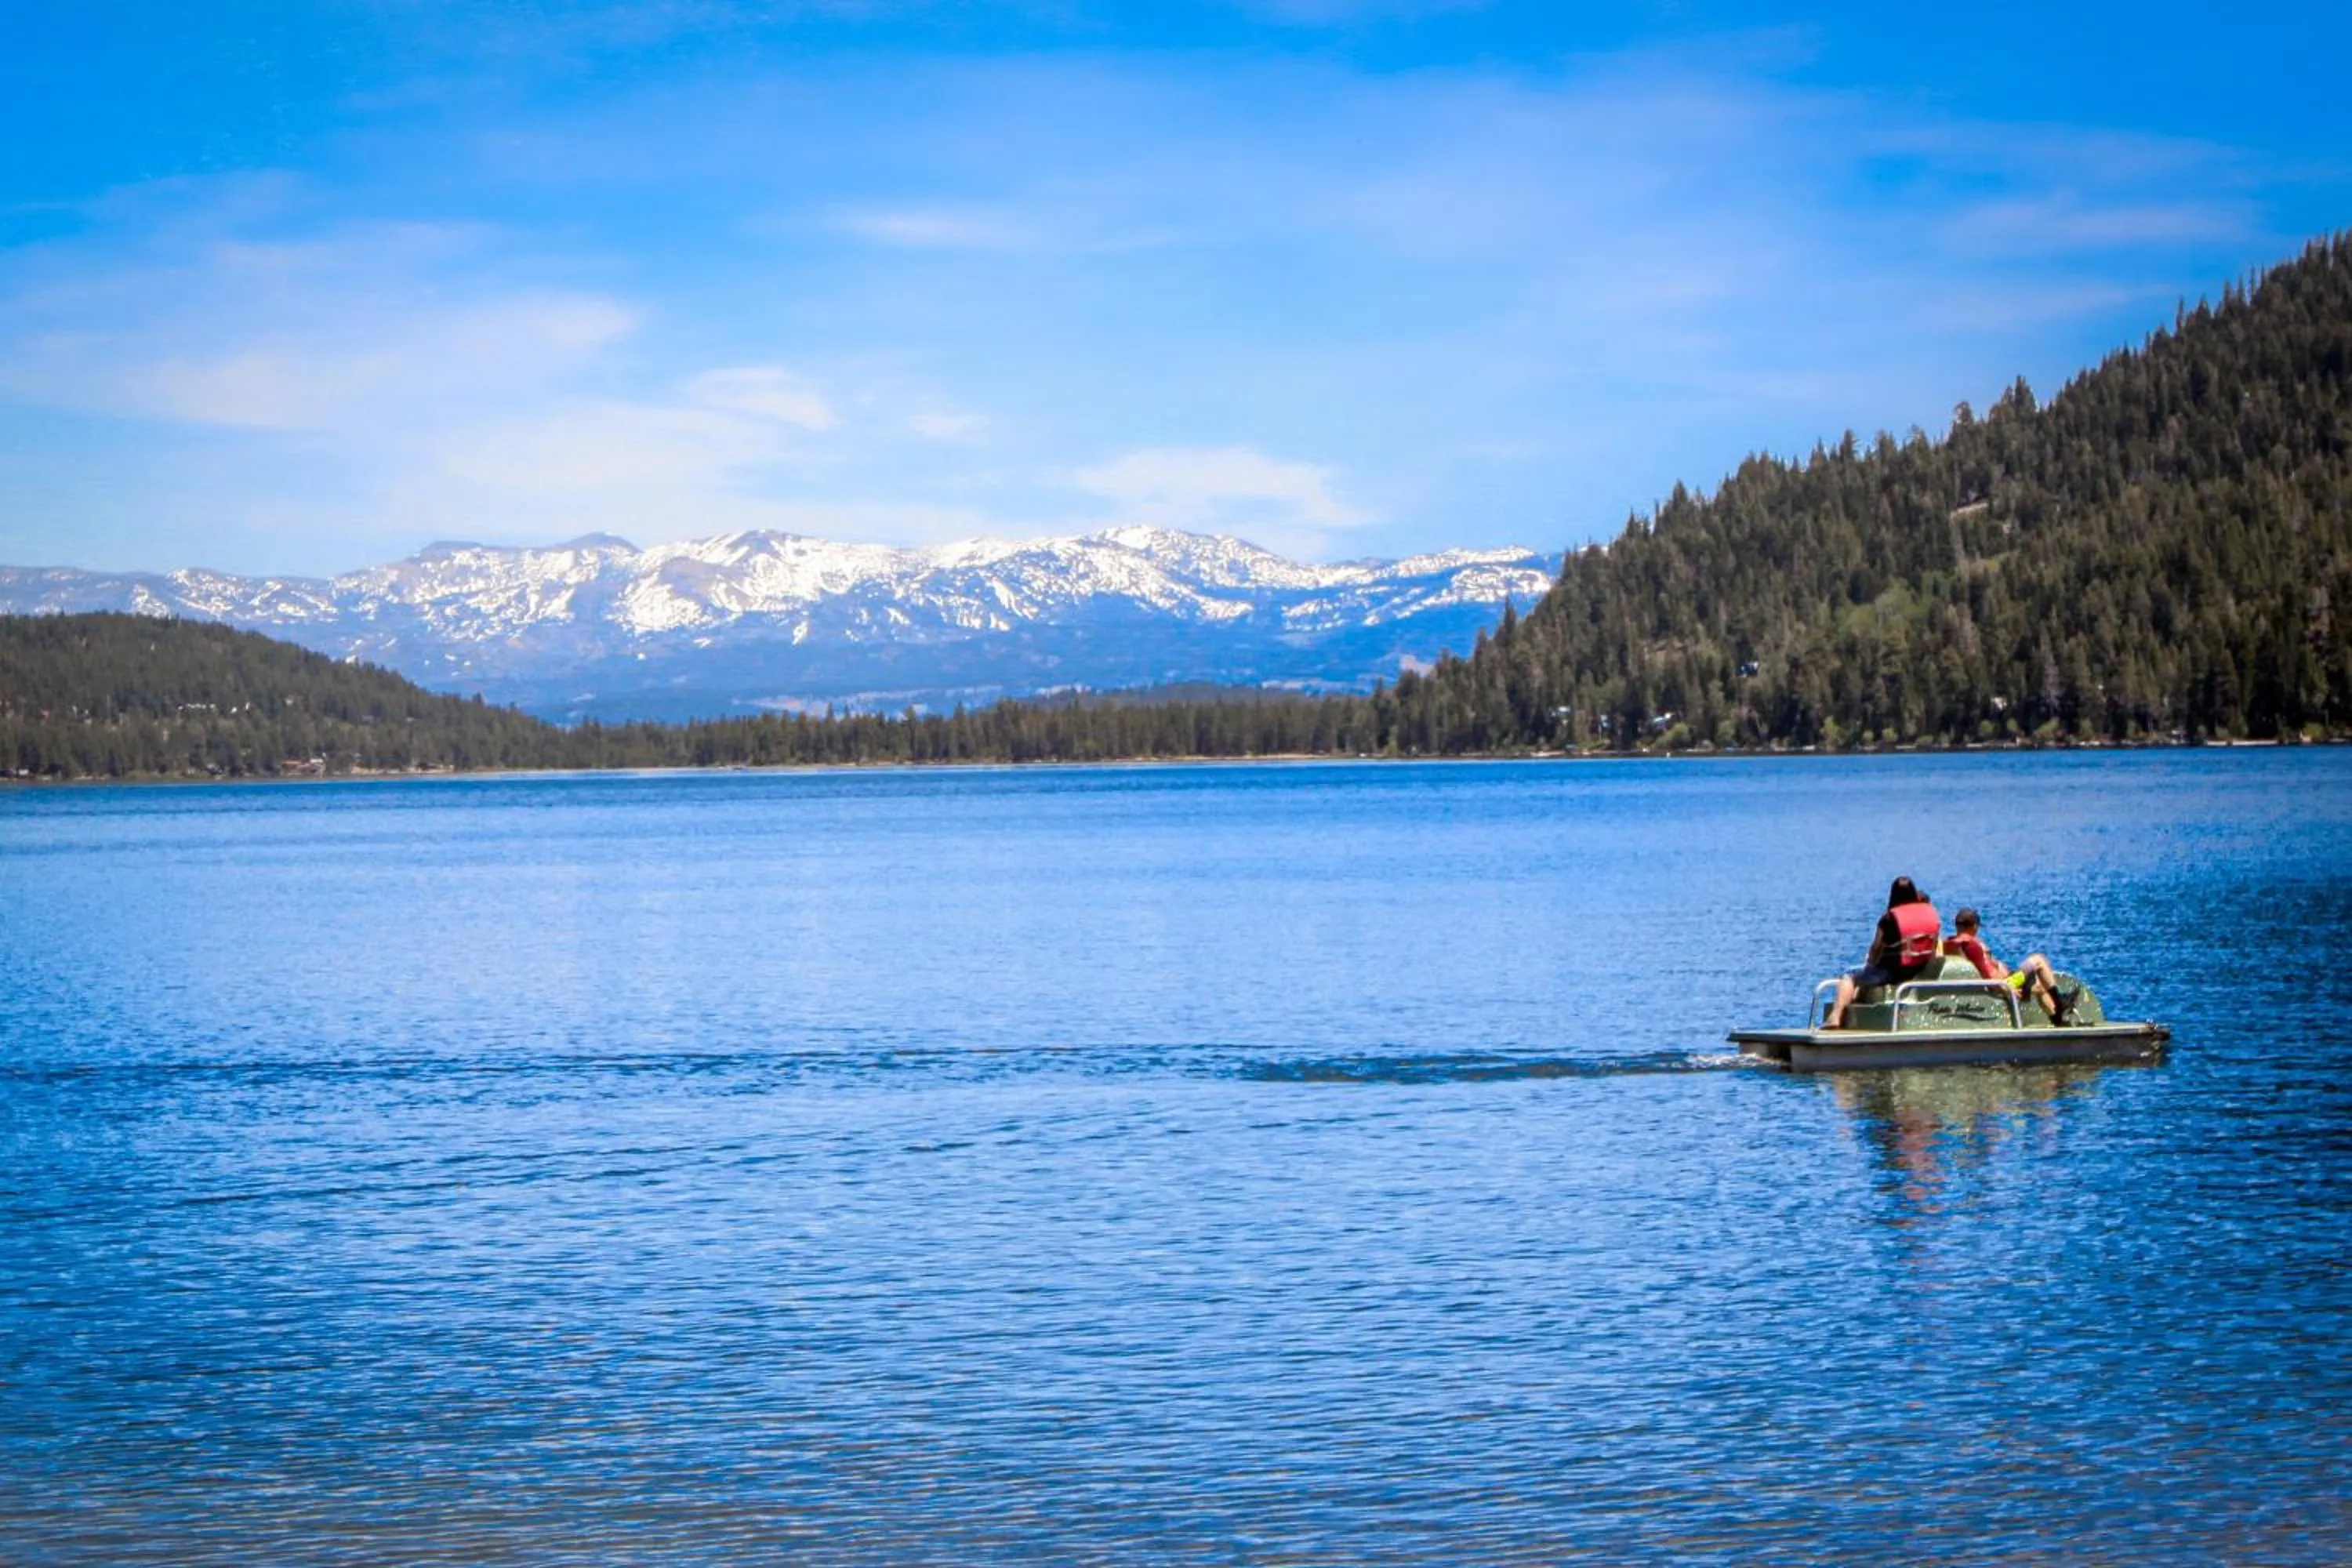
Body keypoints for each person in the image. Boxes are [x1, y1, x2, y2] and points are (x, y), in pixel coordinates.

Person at [1824, 877, 1942, 1029]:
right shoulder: (1930, 916)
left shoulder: (1888, 920)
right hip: (1920, 969)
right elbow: (1934, 947)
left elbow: (1875, 950)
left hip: (1892, 973)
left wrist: (1871, 962)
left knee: (1849, 975)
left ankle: (1836, 1016)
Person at [1944, 907, 2077, 1023]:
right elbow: (1988, 975)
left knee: (2039, 987)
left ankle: (2057, 1017)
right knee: (2038, 960)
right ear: (1975, 926)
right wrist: (2008, 990)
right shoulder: (1972, 945)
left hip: (2000, 983)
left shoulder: (1950, 943)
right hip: (2007, 983)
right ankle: (2060, 1002)